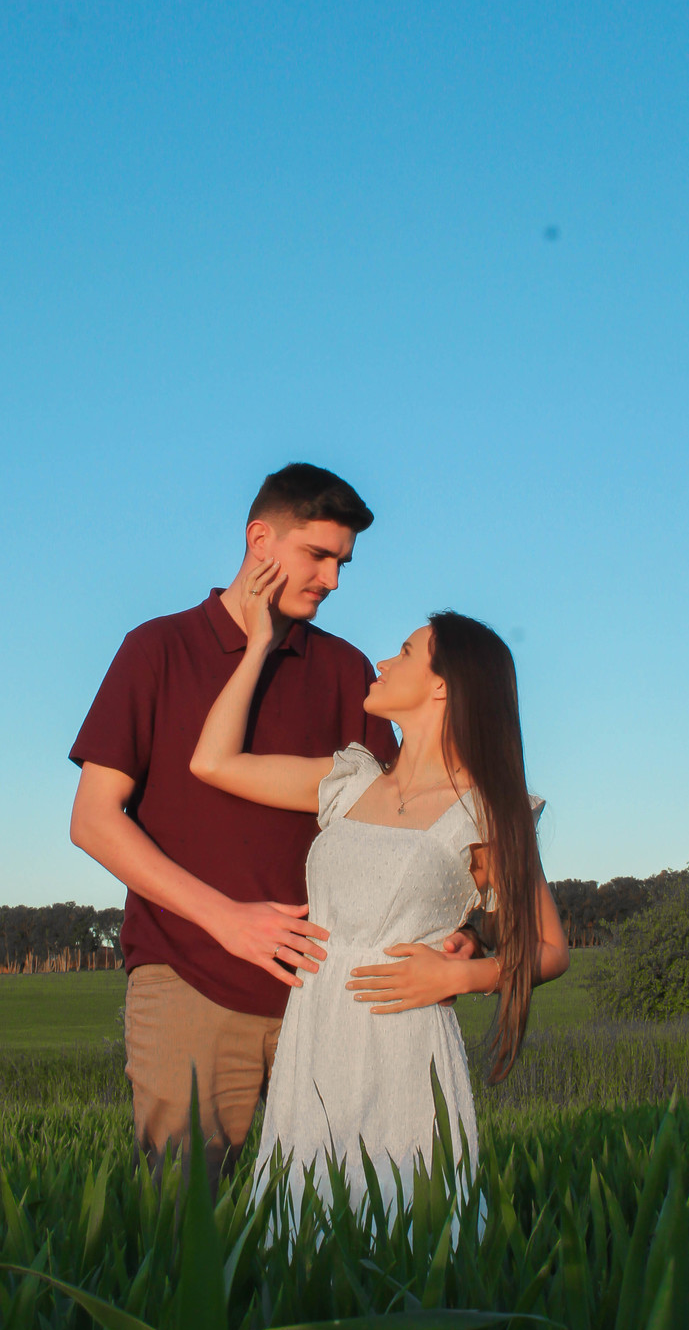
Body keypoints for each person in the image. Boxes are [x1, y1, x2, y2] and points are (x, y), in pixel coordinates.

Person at [68, 463, 482, 1182]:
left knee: (338, 1207)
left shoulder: (350, 672)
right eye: (317, 555)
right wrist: (226, 920)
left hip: (329, 994)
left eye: (343, 562)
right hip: (191, 977)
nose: (333, 579)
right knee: (185, 1207)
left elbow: (411, 824)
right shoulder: (157, 649)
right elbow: (94, 822)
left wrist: (461, 932)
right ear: (260, 540)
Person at [189, 564, 570, 1214]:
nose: (385, 662)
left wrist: (462, 976)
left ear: (443, 687)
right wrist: (257, 647)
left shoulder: (487, 812)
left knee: (404, 1216)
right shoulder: (351, 782)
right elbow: (213, 762)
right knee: (305, 1219)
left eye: (406, 652)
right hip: (316, 1025)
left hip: (403, 1030)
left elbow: (550, 950)